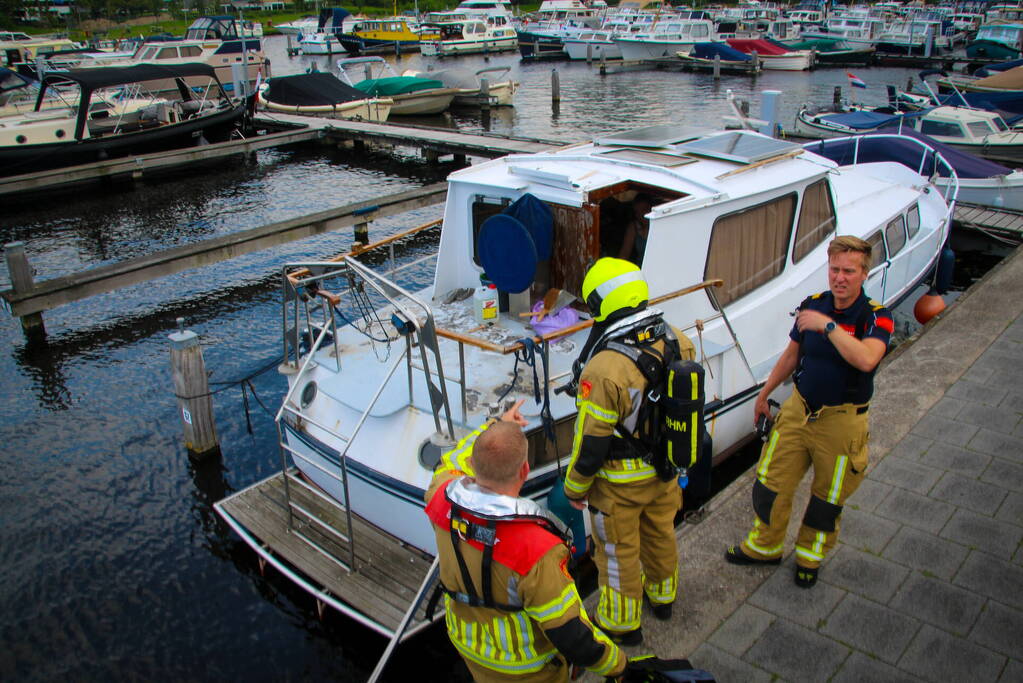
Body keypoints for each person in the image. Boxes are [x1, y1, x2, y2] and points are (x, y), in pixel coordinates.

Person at [725, 236, 894, 588]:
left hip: (841, 422)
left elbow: (866, 358)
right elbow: (791, 355)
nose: (840, 278)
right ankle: (764, 546)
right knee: (771, 483)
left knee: (826, 500)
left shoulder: (876, 316)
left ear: (864, 273)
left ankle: (809, 557)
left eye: (849, 271)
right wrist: (766, 392)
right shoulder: (814, 305)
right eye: (834, 269)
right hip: (798, 411)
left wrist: (828, 327)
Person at [425, 400, 627, 682]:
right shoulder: (538, 550)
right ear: (524, 471)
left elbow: (452, 460)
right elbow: (570, 633)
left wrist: (495, 426)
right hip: (527, 669)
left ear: (473, 464)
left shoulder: (439, 495)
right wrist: (619, 666)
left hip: (468, 648)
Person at [563, 258, 696, 645]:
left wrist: (574, 489)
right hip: (665, 472)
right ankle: (664, 598)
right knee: (661, 535)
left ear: (600, 302)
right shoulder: (676, 339)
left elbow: (591, 443)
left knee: (618, 553)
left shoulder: (604, 367)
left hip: (618, 484)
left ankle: (622, 624)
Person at [617, 194, 654, 265]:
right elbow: (624, 254)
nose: (641, 215)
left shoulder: (659, 225)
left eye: (644, 210)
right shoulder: (634, 227)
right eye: (637, 212)